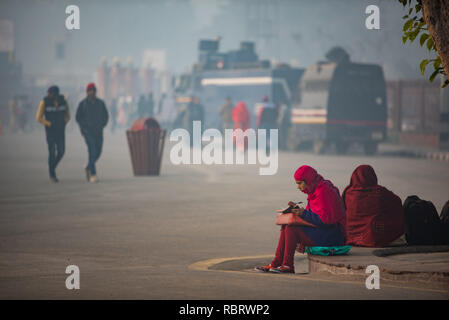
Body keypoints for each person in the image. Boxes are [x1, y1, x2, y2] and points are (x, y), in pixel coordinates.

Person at [256, 165, 346, 273]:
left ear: (308, 180)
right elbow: (317, 216)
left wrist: (303, 213)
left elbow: (325, 221)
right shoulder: (315, 189)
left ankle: (287, 265)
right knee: (287, 225)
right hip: (323, 231)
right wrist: (298, 212)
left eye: (300, 183)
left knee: (291, 228)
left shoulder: (324, 192)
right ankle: (276, 263)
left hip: (331, 236)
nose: (298, 187)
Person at [343, 165, 405, 247]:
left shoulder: (348, 192)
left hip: (350, 236)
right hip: (374, 237)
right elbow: (397, 202)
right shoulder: (379, 192)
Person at [36, 85, 70, 182]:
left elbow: (68, 115)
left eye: (52, 94)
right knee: (51, 152)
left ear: (56, 94)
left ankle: (52, 166)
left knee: (61, 151)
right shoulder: (44, 102)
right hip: (50, 131)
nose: (50, 95)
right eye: (49, 94)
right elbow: (38, 117)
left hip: (60, 131)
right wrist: (48, 124)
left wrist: (64, 122)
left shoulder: (63, 102)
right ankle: (52, 173)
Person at [76, 83, 109, 183]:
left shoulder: (100, 103)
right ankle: (93, 174)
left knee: (98, 151)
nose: (92, 92)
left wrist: (102, 125)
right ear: (87, 92)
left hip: (98, 131)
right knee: (92, 150)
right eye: (90, 90)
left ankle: (89, 165)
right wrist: (83, 127)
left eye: (93, 90)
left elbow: (106, 116)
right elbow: (78, 117)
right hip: (87, 132)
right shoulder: (83, 104)